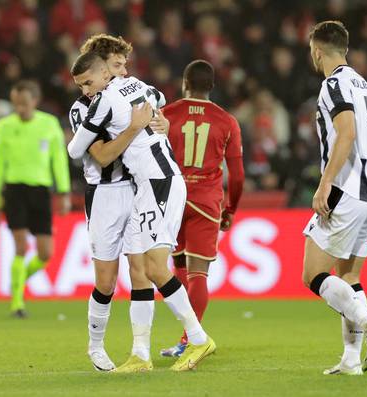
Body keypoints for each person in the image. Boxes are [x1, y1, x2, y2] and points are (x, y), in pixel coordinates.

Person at [68, 52, 215, 372]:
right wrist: (155, 118)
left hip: (157, 183)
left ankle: (198, 337)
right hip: (137, 187)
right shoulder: (135, 86)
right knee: (137, 268)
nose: (85, 91)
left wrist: (151, 122)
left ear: (105, 74)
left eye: (88, 83)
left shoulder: (104, 99)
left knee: (153, 266)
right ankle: (139, 354)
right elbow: (158, 97)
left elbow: (75, 150)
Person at [69, 34, 169, 372]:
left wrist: (161, 123)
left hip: (136, 188)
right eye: (116, 65)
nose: (122, 72)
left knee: (141, 272)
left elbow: (158, 107)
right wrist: (133, 129)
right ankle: (95, 346)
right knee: (107, 282)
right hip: (104, 196)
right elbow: (100, 154)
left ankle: (141, 351)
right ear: (99, 67)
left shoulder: (126, 94)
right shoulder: (82, 108)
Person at [302, 21, 367, 375]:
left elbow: (346, 134)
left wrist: (325, 183)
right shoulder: (366, 87)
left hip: (346, 189)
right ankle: (352, 360)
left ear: (317, 51)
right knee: (349, 276)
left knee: (312, 274)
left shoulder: (333, 84)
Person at [160, 60, 245, 358]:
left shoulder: (166, 114)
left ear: (184, 83)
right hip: (207, 203)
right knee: (198, 274)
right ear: (211, 86)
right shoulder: (226, 121)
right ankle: (190, 340)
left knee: (177, 267)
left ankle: (186, 339)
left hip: (172, 200)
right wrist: (231, 208)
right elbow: (238, 175)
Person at [0, 80, 71, 318]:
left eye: (24, 104)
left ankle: (18, 281)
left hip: (41, 191)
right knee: (21, 247)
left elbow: (59, 160)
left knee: (46, 253)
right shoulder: (4, 126)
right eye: (16, 104)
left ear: (35, 101)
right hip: (14, 191)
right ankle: (17, 303)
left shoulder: (49, 124)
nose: (20, 109)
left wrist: (64, 193)